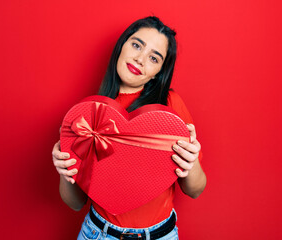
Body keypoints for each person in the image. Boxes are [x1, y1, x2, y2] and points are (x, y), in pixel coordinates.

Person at [52, 16, 206, 240]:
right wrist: (64, 170)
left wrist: (190, 162)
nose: (141, 59)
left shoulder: (169, 108)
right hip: (97, 233)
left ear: (159, 72)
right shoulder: (88, 115)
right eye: (136, 45)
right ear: (122, 45)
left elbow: (195, 190)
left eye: (154, 58)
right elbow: (76, 203)